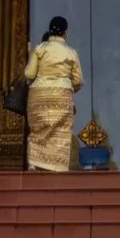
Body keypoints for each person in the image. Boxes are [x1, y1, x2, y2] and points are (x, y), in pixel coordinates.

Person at [24, 15, 83, 173]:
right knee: (61, 132)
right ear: (65, 33)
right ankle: (58, 167)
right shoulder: (71, 53)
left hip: (39, 94)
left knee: (38, 129)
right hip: (61, 94)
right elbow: (78, 81)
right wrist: (69, 88)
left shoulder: (40, 49)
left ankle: (34, 163)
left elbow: (29, 74)